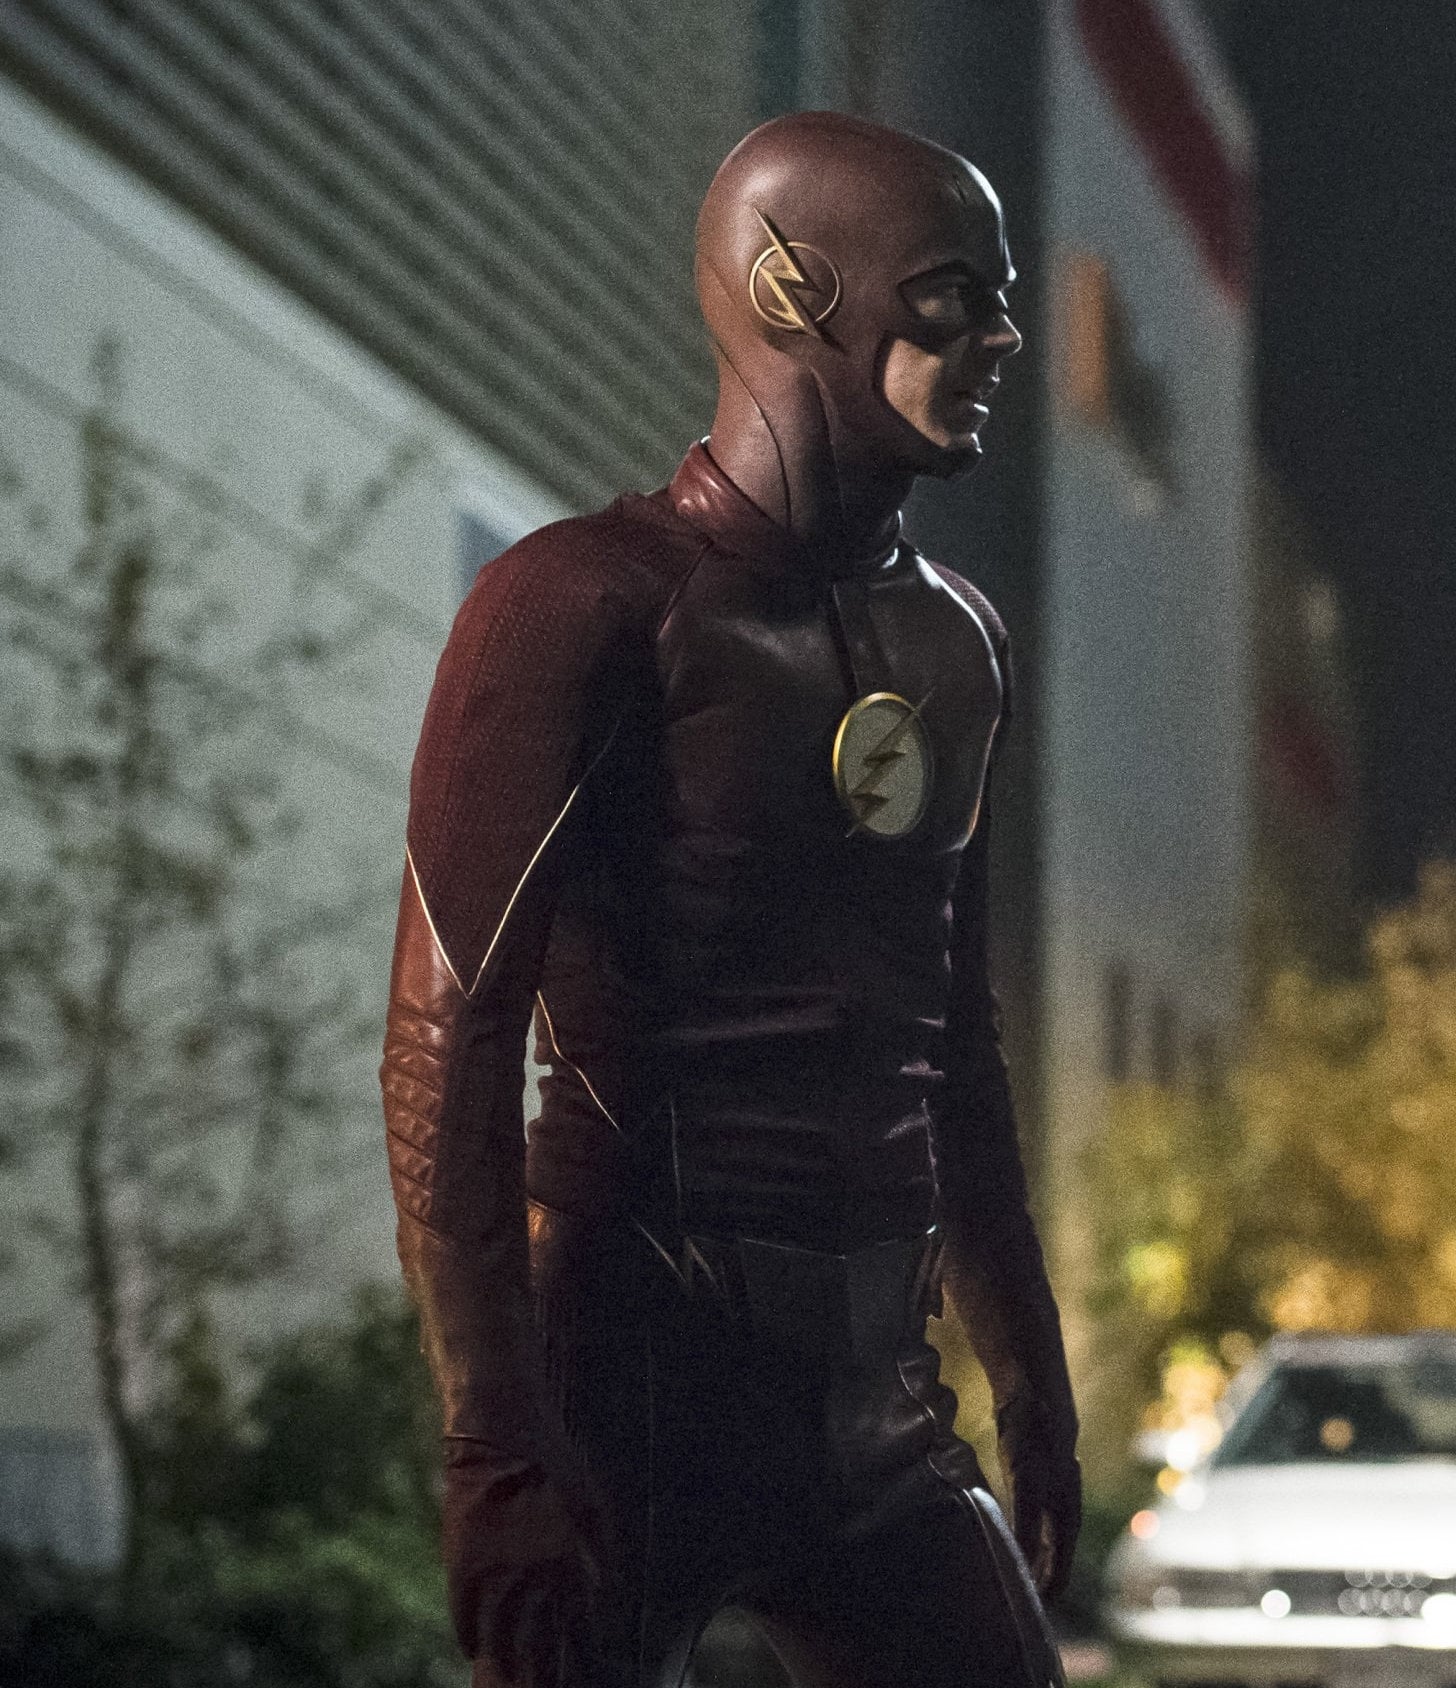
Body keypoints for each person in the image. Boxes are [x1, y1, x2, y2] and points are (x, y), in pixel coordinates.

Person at [381, 110, 1075, 1687]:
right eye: (950, 297)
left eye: (1002, 299)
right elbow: (447, 1049)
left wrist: (1028, 1370)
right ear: (790, 290)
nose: (1000, 338)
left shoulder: (960, 642)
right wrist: (495, 1445)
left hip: (877, 1399)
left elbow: (953, 1042)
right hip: (634, 1383)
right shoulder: (578, 604)